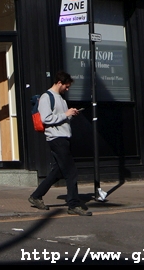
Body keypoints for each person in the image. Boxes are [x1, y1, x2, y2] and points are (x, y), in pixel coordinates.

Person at [28, 70, 91, 216]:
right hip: (56, 139)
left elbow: (61, 118)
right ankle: (73, 205)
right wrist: (65, 114)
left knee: (58, 171)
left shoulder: (61, 99)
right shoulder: (46, 97)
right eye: (66, 86)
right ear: (59, 83)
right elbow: (46, 118)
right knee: (71, 172)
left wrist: (71, 114)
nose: (67, 89)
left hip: (64, 137)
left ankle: (36, 196)